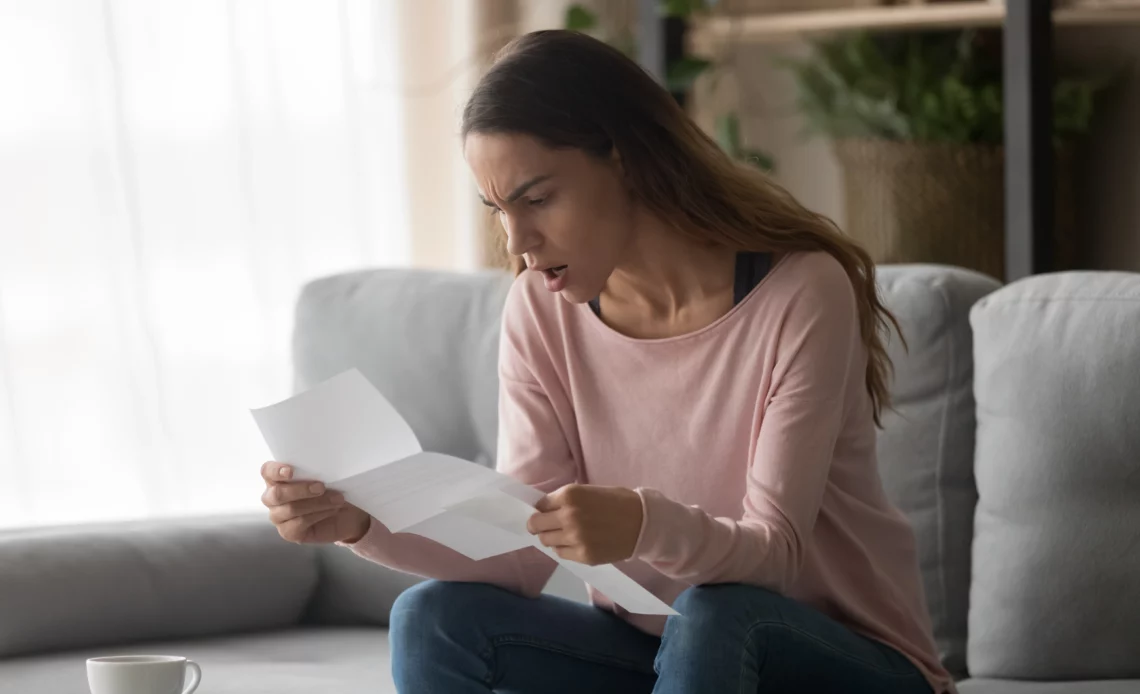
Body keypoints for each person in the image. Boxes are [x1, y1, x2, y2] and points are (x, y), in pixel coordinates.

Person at [260, 29, 952, 694]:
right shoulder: (539, 309)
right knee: (433, 620)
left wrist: (643, 524)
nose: (517, 241)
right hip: (669, 655)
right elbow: (524, 552)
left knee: (718, 613)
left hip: (852, 665)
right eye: (499, 210)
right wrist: (360, 525)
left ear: (622, 157)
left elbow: (774, 556)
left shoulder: (800, 291)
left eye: (537, 199)